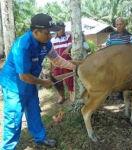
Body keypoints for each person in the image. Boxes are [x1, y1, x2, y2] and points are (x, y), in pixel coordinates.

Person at [0, 13, 76, 150]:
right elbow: (23, 76)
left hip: (30, 82)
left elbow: (57, 59)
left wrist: (75, 67)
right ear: (36, 32)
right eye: (47, 33)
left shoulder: (46, 43)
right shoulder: (22, 46)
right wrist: (43, 82)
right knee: (13, 117)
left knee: (34, 110)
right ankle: (7, 148)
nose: (50, 37)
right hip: (13, 84)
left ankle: (40, 138)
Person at [106, 17, 132, 101]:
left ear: (124, 24)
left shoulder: (130, 36)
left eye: (121, 24)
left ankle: (121, 92)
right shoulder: (111, 36)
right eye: (117, 25)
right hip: (112, 61)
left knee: (125, 76)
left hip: (125, 62)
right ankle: (106, 91)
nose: (119, 26)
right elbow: (107, 48)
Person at [51, 22, 74, 104]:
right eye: (59, 28)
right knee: (58, 81)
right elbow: (51, 53)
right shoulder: (52, 40)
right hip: (56, 65)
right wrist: (51, 66)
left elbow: (71, 44)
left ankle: (72, 94)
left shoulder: (68, 36)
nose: (62, 30)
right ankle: (62, 96)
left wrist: (67, 49)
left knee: (69, 80)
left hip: (67, 62)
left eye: (63, 28)